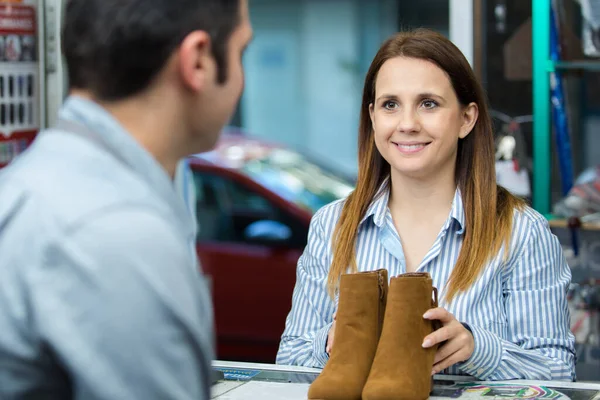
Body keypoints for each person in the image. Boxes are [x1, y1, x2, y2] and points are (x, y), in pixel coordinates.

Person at [276, 29, 576, 381]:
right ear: (373, 117)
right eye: (390, 105)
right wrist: (330, 342)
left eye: (428, 103)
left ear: (466, 118)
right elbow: (288, 364)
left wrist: (478, 349)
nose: (407, 124)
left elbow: (558, 375)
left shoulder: (521, 232)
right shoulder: (332, 225)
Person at [0, 0, 252, 398]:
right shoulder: (118, 233)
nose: (241, 77)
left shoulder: (35, 180)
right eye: (241, 52)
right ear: (198, 61)